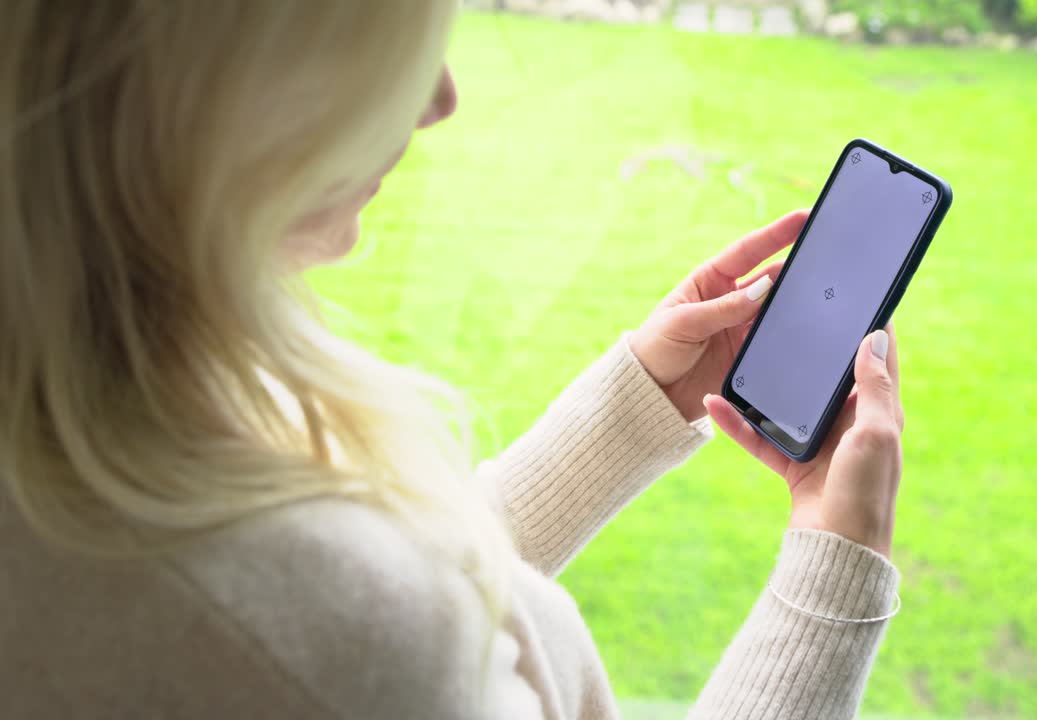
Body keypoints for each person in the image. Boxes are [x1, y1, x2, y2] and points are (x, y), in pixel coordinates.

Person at [0, 2, 906, 718]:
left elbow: (393, 584)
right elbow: (358, 626)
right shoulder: (332, 655)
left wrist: (636, 409)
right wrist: (835, 569)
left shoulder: (92, 394)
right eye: (380, 56)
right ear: (213, 93)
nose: (439, 100)